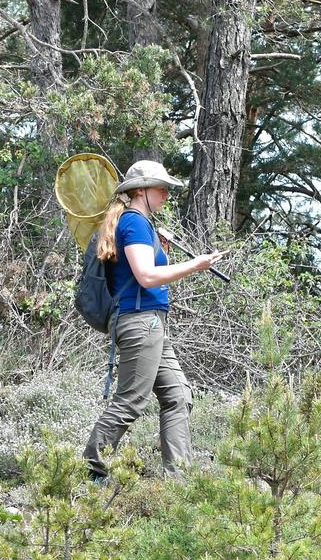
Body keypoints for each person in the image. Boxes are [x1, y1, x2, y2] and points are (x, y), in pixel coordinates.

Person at [83, 160, 224, 481]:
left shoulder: (141, 225)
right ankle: (92, 469)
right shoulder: (134, 223)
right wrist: (195, 265)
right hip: (140, 323)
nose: (166, 195)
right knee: (131, 400)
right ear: (142, 191)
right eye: (161, 189)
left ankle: (179, 480)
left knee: (178, 396)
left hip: (153, 322)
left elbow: (149, 274)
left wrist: (163, 252)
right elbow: (146, 277)